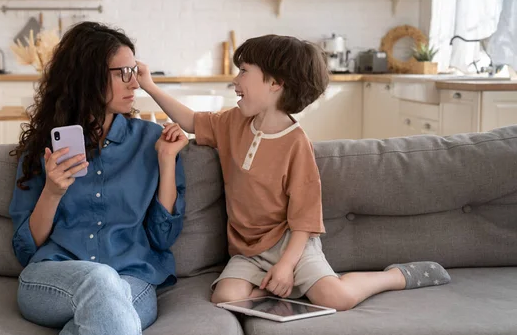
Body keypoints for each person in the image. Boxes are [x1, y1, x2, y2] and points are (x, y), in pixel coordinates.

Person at [137, 34, 450, 311]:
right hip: (247, 250)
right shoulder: (232, 122)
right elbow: (192, 121)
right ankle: (285, 288)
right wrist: (149, 86)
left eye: (244, 71)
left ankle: (393, 277)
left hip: (292, 246)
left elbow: (304, 219)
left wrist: (286, 266)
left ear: (275, 83)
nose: (235, 81)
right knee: (224, 297)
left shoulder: (297, 144)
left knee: (336, 299)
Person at [9, 21, 188, 335]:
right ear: (88, 75)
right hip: (53, 279)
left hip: (131, 281)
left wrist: (166, 162)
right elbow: (25, 248)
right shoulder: (46, 147)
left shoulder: (152, 141)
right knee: (99, 280)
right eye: (123, 72)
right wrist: (52, 192)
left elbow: (162, 238)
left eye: (134, 71)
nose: (135, 83)